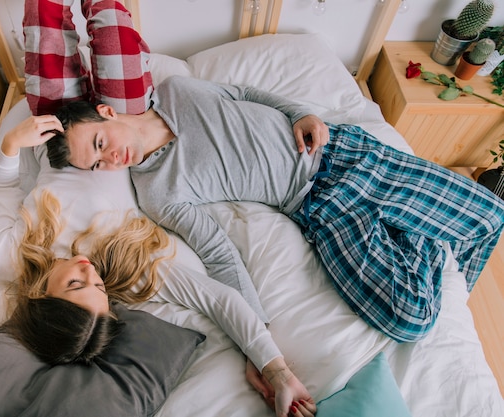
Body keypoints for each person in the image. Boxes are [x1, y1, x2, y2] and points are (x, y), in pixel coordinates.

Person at [42, 74, 504, 344]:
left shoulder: (177, 88)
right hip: (320, 207)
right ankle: (419, 230)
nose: (110, 160)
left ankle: (414, 225)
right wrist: (257, 336)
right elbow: (220, 252)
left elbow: (247, 93)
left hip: (346, 154)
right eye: (97, 164)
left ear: (106, 113)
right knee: (413, 320)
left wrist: (302, 113)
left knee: (491, 217)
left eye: (101, 144)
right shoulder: (157, 191)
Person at [0, 119, 317, 417]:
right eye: (99, 287)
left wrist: (11, 143)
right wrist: (276, 371)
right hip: (115, 135)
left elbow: (2, 189)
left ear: (42, 296)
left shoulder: (8, 258)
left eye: (76, 283)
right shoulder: (121, 267)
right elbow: (218, 299)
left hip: (43, 136)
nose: (90, 270)